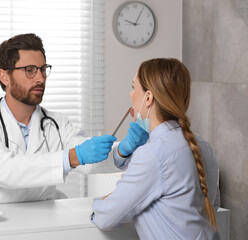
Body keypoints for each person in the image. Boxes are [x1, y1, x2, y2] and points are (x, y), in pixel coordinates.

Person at [0, 33, 117, 205]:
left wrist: (123, 151)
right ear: (4, 76)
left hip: (41, 225)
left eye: (43, 69)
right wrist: (72, 157)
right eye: (30, 70)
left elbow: (89, 159)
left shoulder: (57, 123)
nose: (40, 78)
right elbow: (7, 170)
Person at [91, 58, 221, 239]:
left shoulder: (153, 154)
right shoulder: (203, 147)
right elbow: (212, 205)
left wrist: (102, 202)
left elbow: (105, 218)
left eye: (134, 87)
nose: (130, 94)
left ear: (148, 97)